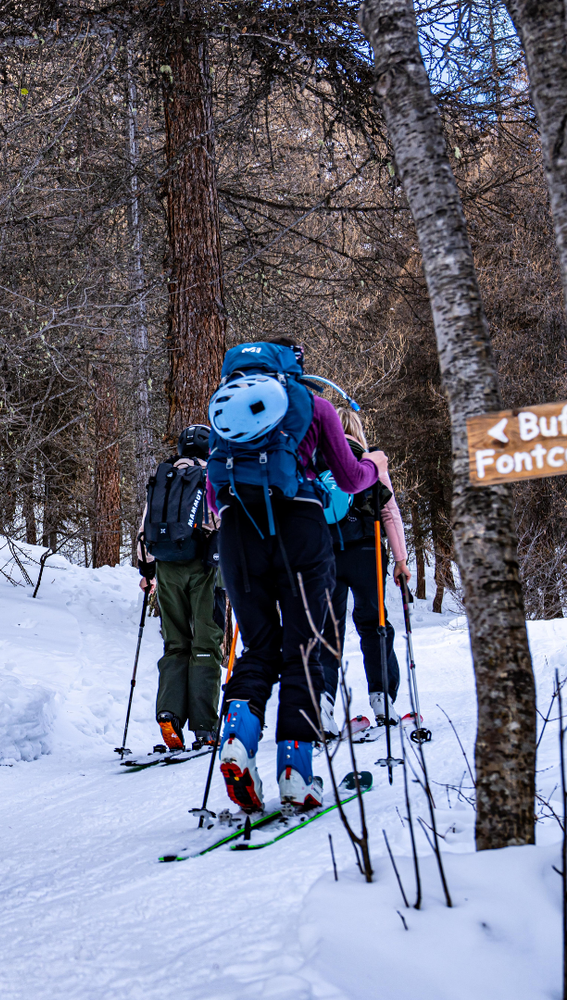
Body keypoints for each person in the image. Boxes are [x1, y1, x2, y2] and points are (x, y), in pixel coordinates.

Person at [206, 339, 384, 814]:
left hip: (238, 533)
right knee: (305, 647)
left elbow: (212, 493)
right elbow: (348, 479)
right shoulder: (315, 404)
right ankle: (295, 773)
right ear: (294, 366)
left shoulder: (224, 412)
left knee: (260, 647)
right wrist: (374, 468)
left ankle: (237, 743)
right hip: (301, 528)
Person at [317, 408, 411, 738]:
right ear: (357, 429)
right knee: (375, 623)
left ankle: (324, 704)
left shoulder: (316, 458)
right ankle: (383, 699)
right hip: (366, 552)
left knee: (328, 630)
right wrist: (400, 559)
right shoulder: (367, 460)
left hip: (324, 555)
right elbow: (389, 510)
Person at [136, 425, 225, 752]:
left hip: (166, 569)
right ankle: (205, 728)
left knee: (175, 644)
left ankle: (169, 713)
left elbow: (145, 528)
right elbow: (222, 520)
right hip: (204, 568)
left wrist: (147, 572)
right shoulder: (212, 474)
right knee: (205, 643)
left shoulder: (165, 477)